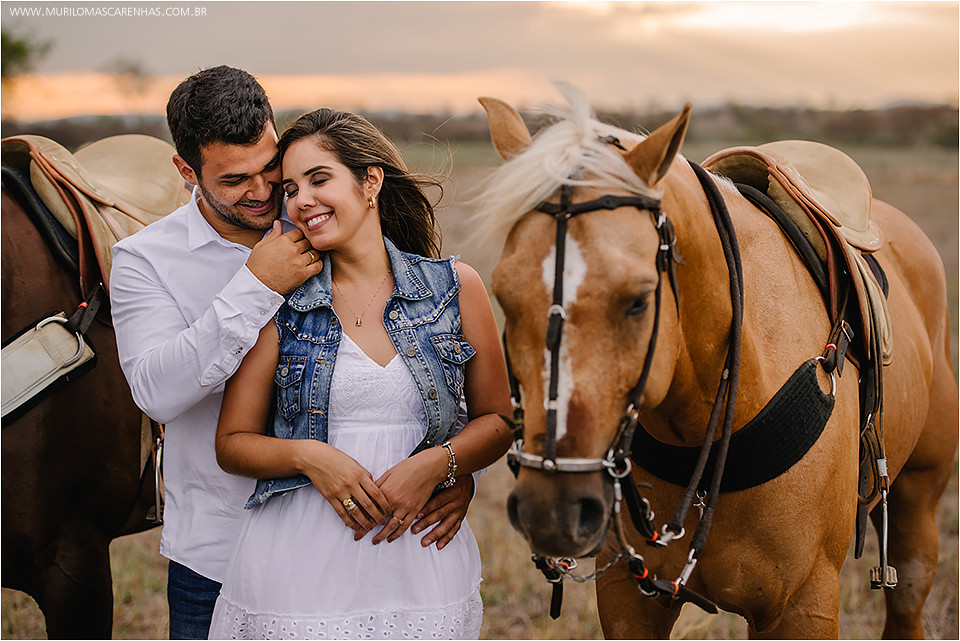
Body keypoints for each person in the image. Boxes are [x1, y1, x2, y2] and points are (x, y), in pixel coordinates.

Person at [110, 67, 477, 640]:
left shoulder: (322, 216)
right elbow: (157, 393)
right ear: (187, 172)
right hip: (217, 547)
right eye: (235, 180)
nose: (263, 192)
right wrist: (255, 286)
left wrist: (452, 468)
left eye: (269, 168)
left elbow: (424, 361)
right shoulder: (145, 261)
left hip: (361, 545)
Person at [206, 108, 514, 639]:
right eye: (289, 189)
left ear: (370, 181)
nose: (301, 200)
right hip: (298, 566)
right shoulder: (279, 302)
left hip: (420, 561)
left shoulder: (455, 288)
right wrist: (311, 456)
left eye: (318, 179)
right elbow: (232, 443)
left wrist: (440, 464)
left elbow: (499, 422)